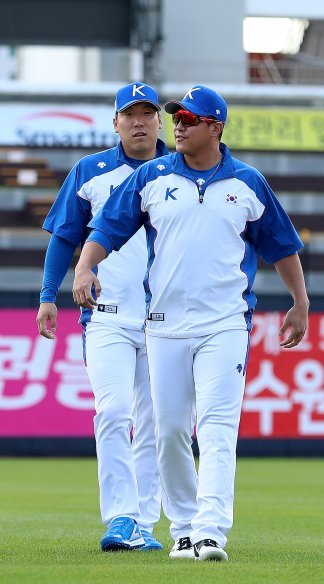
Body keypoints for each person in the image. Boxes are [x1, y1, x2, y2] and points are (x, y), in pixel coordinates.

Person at [71, 85, 309, 562]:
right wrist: (84, 266)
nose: (177, 126)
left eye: (189, 119)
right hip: (163, 324)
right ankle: (183, 528)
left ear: (215, 127)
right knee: (171, 431)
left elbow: (282, 246)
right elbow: (108, 228)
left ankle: (211, 530)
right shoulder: (153, 176)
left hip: (225, 323)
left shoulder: (248, 182)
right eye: (176, 118)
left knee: (218, 426)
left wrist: (300, 302)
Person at [36, 82, 169, 552]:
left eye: (147, 113)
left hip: (166, 320)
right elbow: (64, 235)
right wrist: (48, 295)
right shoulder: (90, 170)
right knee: (112, 412)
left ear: (160, 121)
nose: (138, 121)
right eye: (129, 114)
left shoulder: (181, 171)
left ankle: (144, 522)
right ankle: (120, 518)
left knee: (156, 424)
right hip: (106, 315)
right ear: (115, 123)